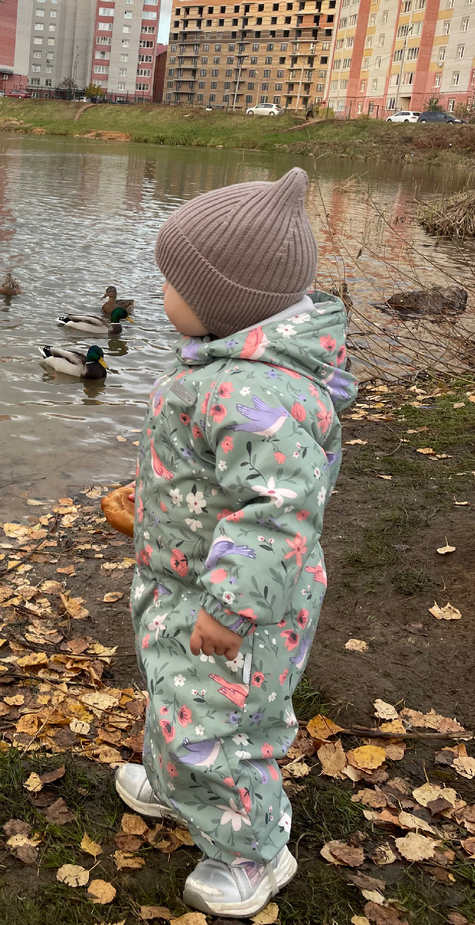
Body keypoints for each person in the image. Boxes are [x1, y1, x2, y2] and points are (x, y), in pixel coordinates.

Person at [116, 167, 356, 918]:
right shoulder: (227, 373)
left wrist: (229, 605)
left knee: (224, 723)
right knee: (174, 693)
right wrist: (152, 498)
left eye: (173, 283)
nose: (161, 295)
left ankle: (254, 851)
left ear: (223, 302)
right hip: (182, 581)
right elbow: (214, 475)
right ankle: (176, 779)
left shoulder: (259, 393)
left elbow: (277, 513)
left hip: (235, 607)